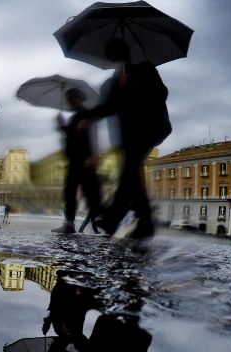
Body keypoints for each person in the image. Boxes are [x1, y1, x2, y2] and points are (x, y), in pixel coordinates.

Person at [78, 38, 172, 239]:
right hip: (128, 137)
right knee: (132, 171)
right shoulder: (111, 83)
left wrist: (133, 85)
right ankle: (144, 221)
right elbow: (107, 107)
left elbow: (161, 93)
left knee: (130, 166)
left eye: (113, 55)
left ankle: (114, 215)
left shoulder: (145, 69)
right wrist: (89, 117)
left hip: (151, 128)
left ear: (123, 55)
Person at [52, 88, 102, 234]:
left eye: (70, 98)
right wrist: (62, 125)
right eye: (68, 98)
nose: (68, 101)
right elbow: (72, 134)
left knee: (90, 193)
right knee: (70, 192)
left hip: (84, 159)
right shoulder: (76, 117)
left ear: (78, 98)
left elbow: (92, 136)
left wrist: (93, 155)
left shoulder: (86, 114)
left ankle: (110, 220)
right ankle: (69, 224)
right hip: (75, 160)